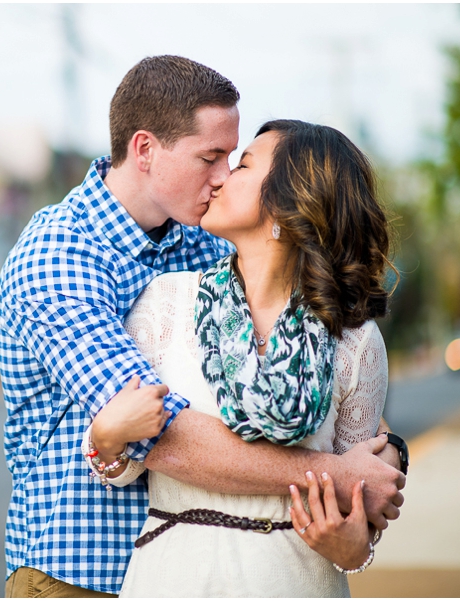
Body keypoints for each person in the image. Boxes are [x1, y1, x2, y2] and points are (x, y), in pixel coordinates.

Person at [0, 55, 406, 598]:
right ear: (145, 150)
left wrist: (388, 454)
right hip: (79, 574)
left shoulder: (204, 241)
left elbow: (351, 418)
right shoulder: (58, 255)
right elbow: (162, 435)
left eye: (233, 160)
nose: (222, 177)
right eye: (210, 157)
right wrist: (342, 473)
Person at [87, 119, 394, 596]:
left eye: (243, 164)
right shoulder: (166, 304)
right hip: (174, 577)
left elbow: (363, 497)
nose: (223, 176)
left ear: (287, 205)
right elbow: (132, 458)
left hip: (296, 581)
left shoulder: (354, 340)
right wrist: (105, 445)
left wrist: (356, 548)